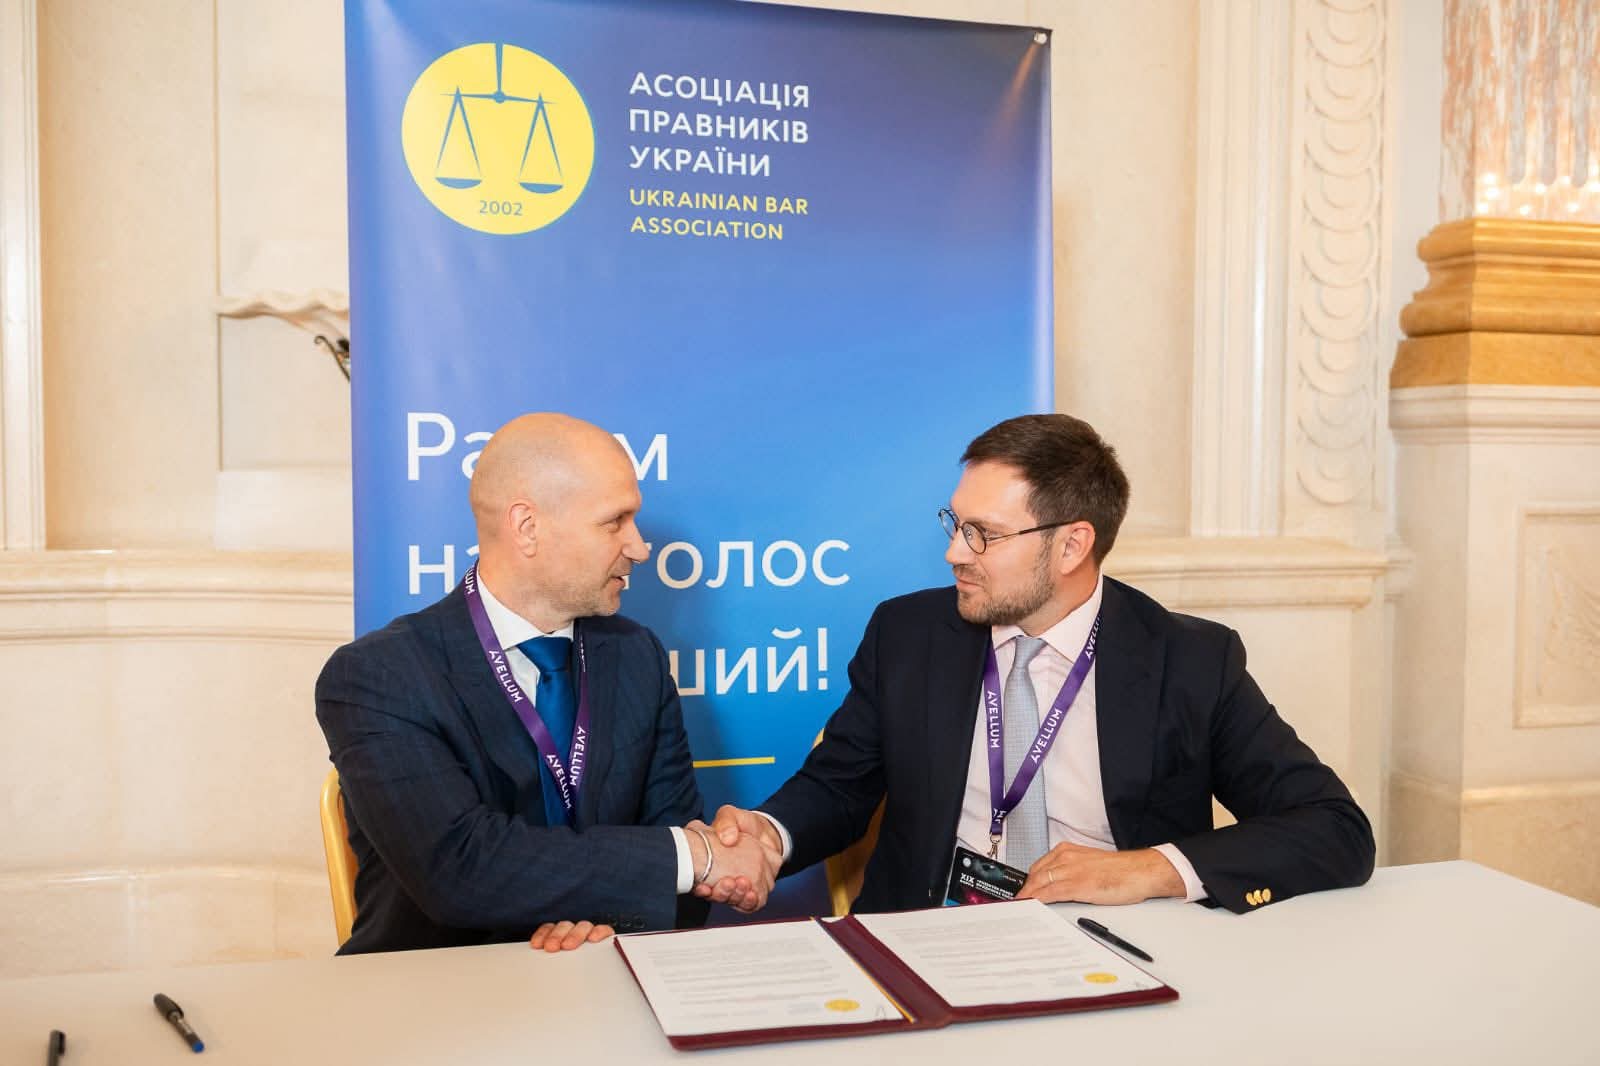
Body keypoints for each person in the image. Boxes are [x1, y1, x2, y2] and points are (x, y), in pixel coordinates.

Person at [702, 414, 1375, 915]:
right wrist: (769, 835)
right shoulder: (908, 635)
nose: (955, 553)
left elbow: (1334, 828)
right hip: (932, 941)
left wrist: (1150, 869)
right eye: (955, 524)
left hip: (1120, 946)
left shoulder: (1189, 660)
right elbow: (839, 786)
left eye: (984, 535)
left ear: (1072, 545)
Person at [317, 413, 776, 955]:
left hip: (604, 974)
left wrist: (606, 928)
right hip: (437, 987)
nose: (639, 547)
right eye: (615, 522)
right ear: (527, 527)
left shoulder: (636, 657)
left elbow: (680, 886)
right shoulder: (378, 676)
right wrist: (696, 855)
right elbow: (458, 869)